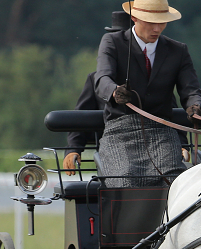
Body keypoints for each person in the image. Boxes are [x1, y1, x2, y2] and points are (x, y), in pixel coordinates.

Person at [93, 0, 201, 187]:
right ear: (134, 18)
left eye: (162, 23)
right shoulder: (112, 42)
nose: (157, 29)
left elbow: (191, 90)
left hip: (162, 131)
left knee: (174, 183)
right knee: (125, 182)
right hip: (120, 131)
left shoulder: (178, 51)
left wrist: (196, 106)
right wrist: (115, 91)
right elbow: (102, 79)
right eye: (151, 23)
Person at [62, 11, 190, 176]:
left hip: (158, 141)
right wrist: (74, 149)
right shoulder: (96, 79)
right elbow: (80, 115)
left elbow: (169, 110)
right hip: (117, 144)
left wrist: (181, 144)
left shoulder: (155, 77)